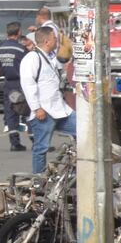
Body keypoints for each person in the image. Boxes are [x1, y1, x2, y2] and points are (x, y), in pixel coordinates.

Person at [20, 26, 76, 173]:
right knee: (41, 148)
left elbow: (59, 67)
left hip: (60, 108)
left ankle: (75, 172)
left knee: (83, 132)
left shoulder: (49, 57)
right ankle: (39, 180)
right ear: (46, 41)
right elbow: (28, 84)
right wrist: (36, 107)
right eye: (54, 39)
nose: (56, 41)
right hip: (44, 110)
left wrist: (66, 53)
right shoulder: (32, 58)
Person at [0, 21, 30, 152]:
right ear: (19, 32)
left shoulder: (1, 47)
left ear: (7, 33)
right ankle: (36, 141)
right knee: (26, 112)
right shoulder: (21, 48)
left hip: (7, 84)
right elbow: (29, 64)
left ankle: (14, 143)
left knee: (10, 113)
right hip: (20, 84)